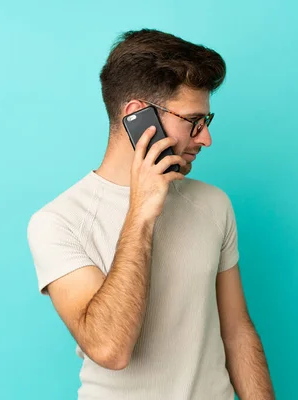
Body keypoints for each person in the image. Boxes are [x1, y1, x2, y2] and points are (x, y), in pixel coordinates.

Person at [27, 28, 274, 400]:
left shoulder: (213, 204)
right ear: (138, 117)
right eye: (193, 120)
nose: (205, 138)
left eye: (207, 122)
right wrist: (141, 211)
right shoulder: (57, 222)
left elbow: (236, 330)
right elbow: (110, 349)